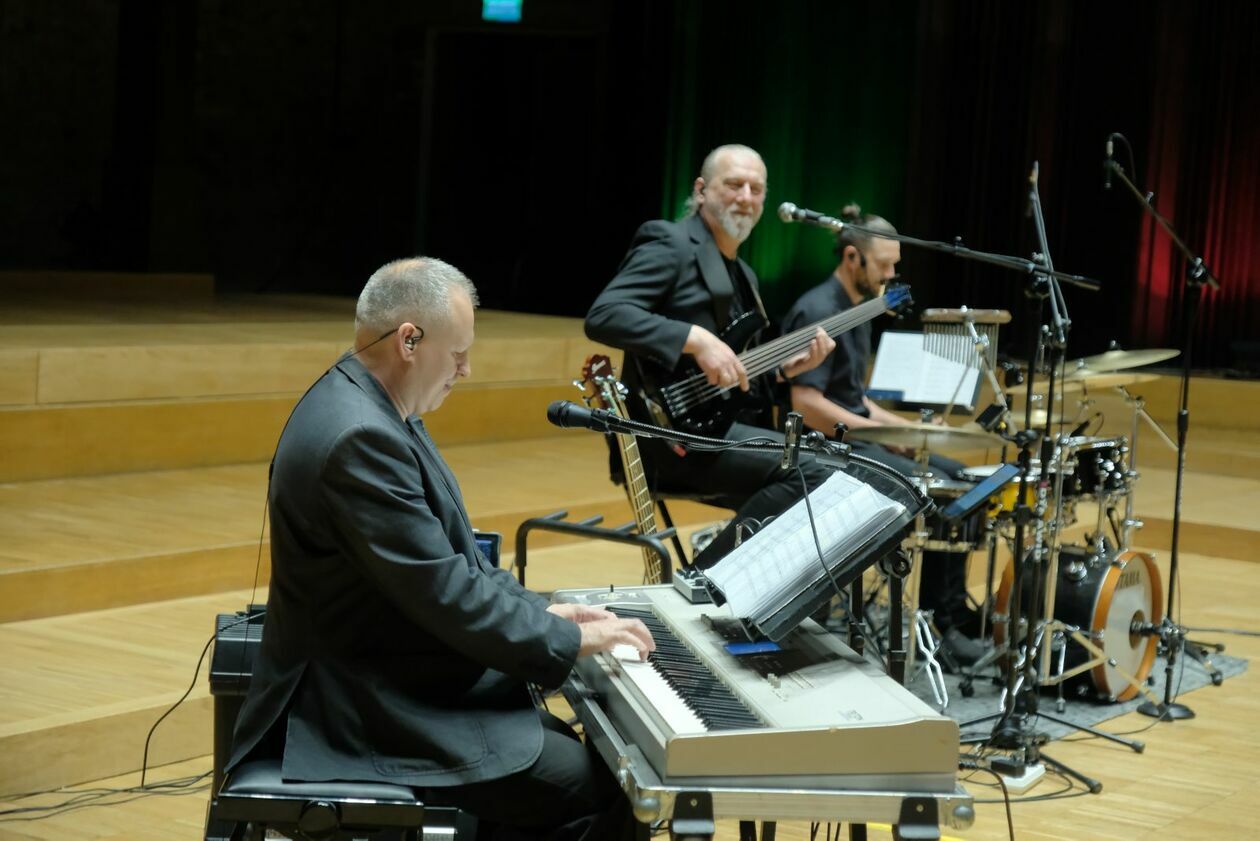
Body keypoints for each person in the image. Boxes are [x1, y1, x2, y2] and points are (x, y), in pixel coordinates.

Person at [226, 257, 653, 840]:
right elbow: (447, 595)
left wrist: (546, 614)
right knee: (607, 792)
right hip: (361, 707)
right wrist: (572, 639)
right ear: (409, 340)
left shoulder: (374, 408)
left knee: (578, 755)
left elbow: (460, 566)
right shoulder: (360, 437)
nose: (467, 370)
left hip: (395, 672)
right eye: (457, 355)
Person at [585, 144, 835, 569]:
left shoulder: (745, 274)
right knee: (815, 472)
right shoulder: (670, 243)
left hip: (717, 431)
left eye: (756, 189)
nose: (746, 197)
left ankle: (770, 604)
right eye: (733, 184)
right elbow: (605, 315)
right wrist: (694, 338)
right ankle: (706, 582)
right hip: (670, 438)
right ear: (701, 190)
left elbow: (736, 378)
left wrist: (782, 373)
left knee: (835, 466)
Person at [780, 206, 984, 664]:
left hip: (854, 437)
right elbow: (807, 405)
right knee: (939, 489)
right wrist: (880, 431)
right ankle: (938, 624)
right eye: (885, 265)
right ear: (853, 257)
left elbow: (853, 398)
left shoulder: (859, 309)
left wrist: (903, 431)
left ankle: (952, 609)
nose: (892, 275)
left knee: (963, 475)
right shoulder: (818, 311)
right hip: (823, 449)